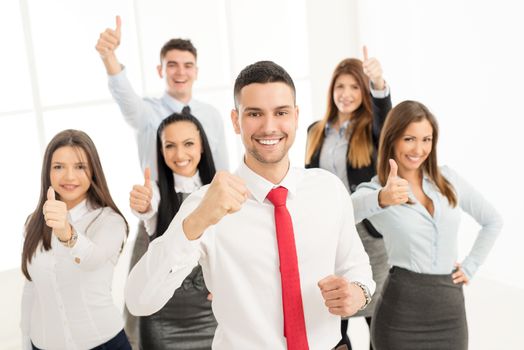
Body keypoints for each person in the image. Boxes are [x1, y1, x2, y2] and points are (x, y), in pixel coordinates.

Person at [125, 60, 375, 349]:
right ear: (235, 120)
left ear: (295, 116)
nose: (269, 127)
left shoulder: (328, 189)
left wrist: (358, 293)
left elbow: (357, 268)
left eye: (280, 112)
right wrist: (197, 221)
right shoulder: (205, 205)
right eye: (254, 114)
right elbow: (139, 300)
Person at [95, 16, 229, 345]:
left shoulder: (210, 115)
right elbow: (124, 94)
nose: (180, 71)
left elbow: (222, 170)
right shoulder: (146, 113)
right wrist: (110, 58)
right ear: (161, 71)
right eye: (172, 65)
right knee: (141, 303)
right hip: (159, 216)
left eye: (187, 65)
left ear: (196, 71)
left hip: (208, 222)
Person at [351, 100, 503, 350]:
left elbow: (493, 221)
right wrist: (382, 198)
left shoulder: (448, 179)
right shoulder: (377, 189)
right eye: (409, 138)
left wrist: (471, 265)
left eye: (427, 139)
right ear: (392, 139)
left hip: (450, 311)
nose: (419, 149)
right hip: (400, 314)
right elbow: (346, 211)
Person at [305, 46, 391, 350]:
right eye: (340, 86)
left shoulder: (371, 131)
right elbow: (308, 180)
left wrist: (379, 84)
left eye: (355, 86)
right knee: (332, 312)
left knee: (375, 316)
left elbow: (387, 126)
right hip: (328, 233)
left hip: (367, 231)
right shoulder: (316, 130)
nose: (346, 93)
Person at [20, 129, 131, 350]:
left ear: (93, 171)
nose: (69, 176)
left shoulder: (110, 221)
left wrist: (65, 232)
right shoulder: (34, 222)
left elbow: (92, 259)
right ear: (47, 172)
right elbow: (32, 290)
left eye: (80, 167)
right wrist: (25, 342)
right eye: (59, 167)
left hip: (104, 344)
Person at [129, 112, 217, 349]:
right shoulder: (156, 194)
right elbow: (147, 209)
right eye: (170, 146)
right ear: (161, 151)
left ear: (201, 147)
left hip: (211, 314)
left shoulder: (219, 190)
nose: (180, 154)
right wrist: (143, 204)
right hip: (162, 316)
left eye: (188, 144)